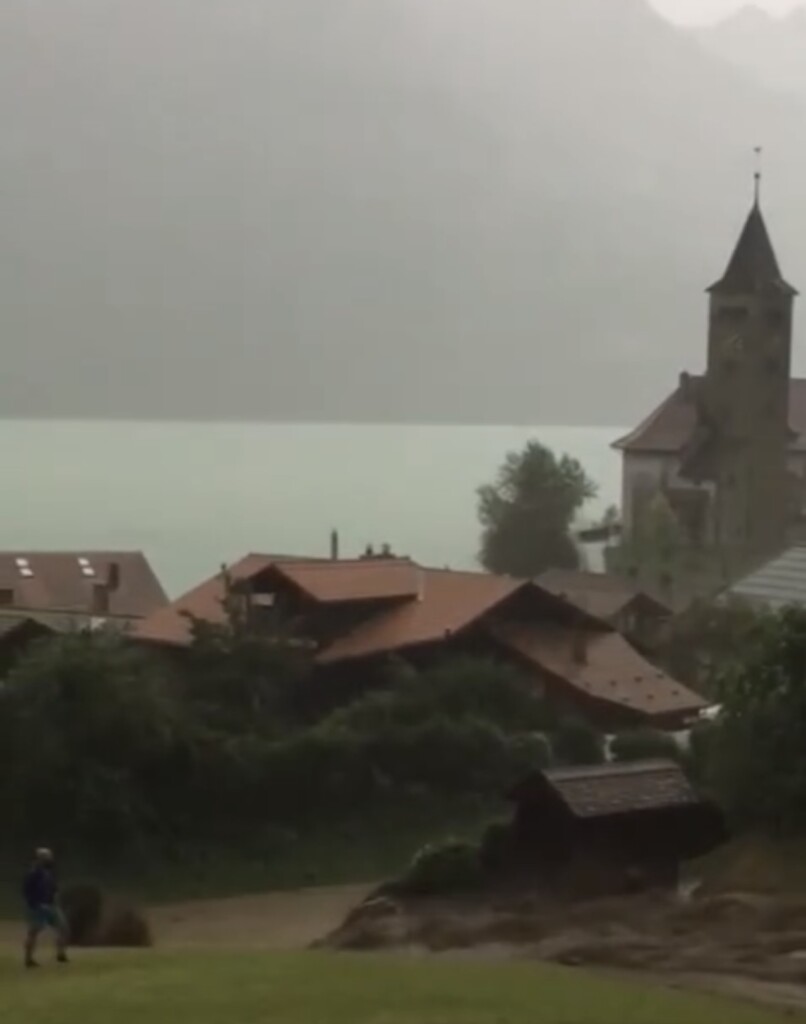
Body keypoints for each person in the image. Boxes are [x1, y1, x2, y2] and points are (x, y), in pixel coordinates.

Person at [22, 847, 69, 968]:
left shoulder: (49, 872)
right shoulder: (33, 873)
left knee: (63, 927)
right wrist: (35, 904)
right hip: (38, 907)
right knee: (33, 932)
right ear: (41, 858)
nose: (50, 859)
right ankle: (28, 959)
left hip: (50, 905)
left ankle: (60, 954)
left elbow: (53, 888)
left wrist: (55, 898)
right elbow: (27, 891)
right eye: (47, 857)